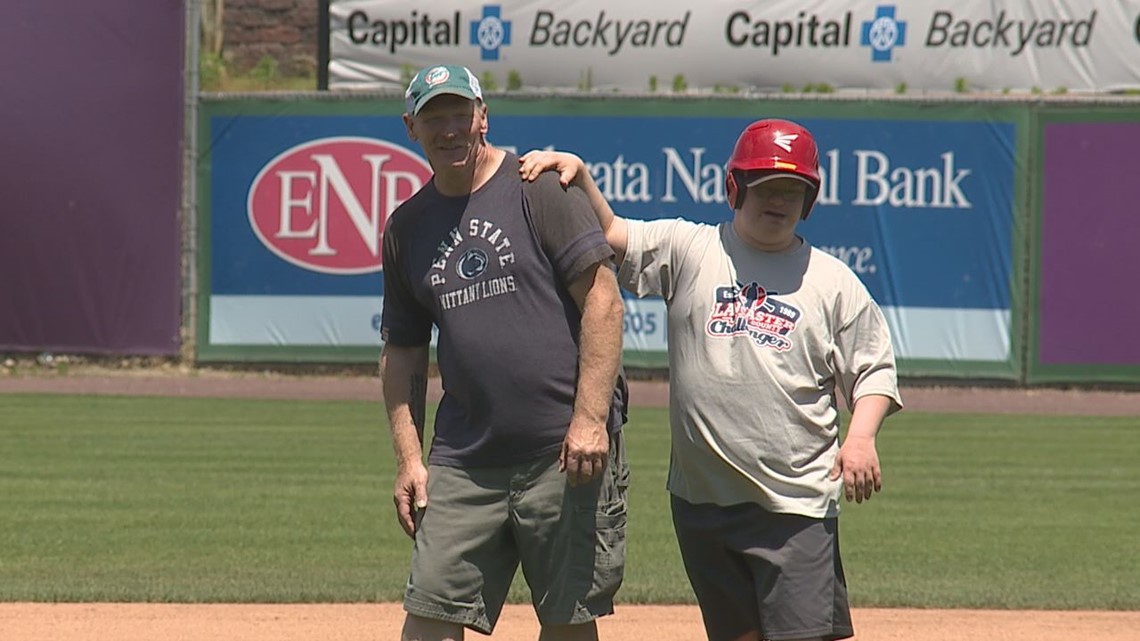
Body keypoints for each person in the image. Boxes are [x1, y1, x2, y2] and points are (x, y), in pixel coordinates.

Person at [518, 118, 902, 641]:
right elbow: (611, 234)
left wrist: (860, 438)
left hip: (794, 505)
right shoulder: (690, 248)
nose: (780, 200)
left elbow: (874, 368)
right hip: (703, 504)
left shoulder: (832, 281)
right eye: (767, 187)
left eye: (794, 189)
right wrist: (582, 177)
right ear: (734, 188)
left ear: (810, 200)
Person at [379, 63, 630, 641]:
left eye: (460, 113)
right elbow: (404, 353)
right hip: (465, 459)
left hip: (564, 455)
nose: (449, 128)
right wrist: (409, 459)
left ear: (483, 117)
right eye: (433, 117)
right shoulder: (407, 227)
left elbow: (603, 301)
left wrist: (590, 420)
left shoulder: (538, 188)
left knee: (568, 624)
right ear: (410, 128)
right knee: (429, 619)